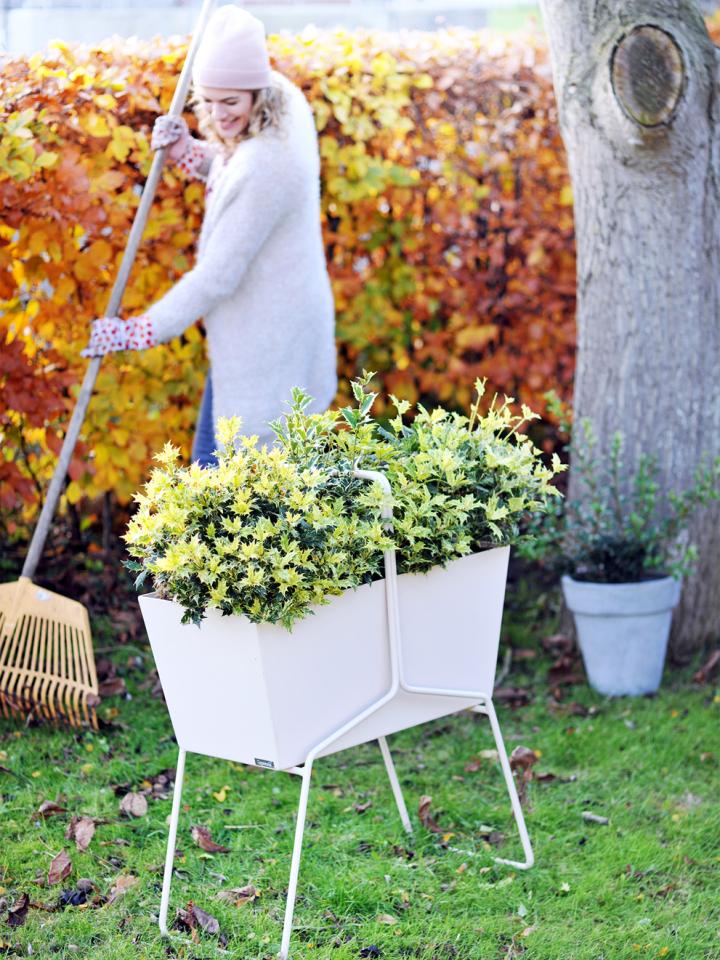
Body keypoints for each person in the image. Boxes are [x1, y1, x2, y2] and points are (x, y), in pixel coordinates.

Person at [82, 5, 337, 463]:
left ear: (257, 93)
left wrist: (136, 332)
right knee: (245, 473)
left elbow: (217, 274)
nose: (219, 116)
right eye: (209, 101)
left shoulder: (265, 164)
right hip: (276, 323)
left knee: (232, 480)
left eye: (232, 102)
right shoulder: (284, 102)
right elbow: (231, 165)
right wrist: (189, 152)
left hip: (268, 340)